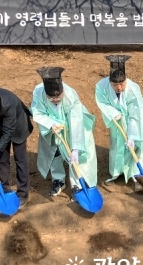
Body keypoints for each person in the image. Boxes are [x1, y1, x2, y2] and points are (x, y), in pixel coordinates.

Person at [31, 67, 97, 197]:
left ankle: (78, 184)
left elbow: (76, 121)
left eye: (58, 97)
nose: (55, 100)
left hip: (75, 129)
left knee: (75, 157)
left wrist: (76, 148)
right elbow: (37, 111)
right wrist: (51, 123)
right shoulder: (38, 92)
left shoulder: (71, 96)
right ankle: (58, 180)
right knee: (54, 151)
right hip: (52, 129)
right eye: (51, 98)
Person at [95, 55, 143, 192]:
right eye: (115, 85)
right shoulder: (101, 86)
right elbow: (102, 102)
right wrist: (113, 113)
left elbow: (136, 114)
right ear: (109, 81)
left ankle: (138, 177)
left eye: (122, 84)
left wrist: (132, 136)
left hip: (138, 123)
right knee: (117, 146)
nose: (119, 87)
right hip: (117, 121)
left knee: (139, 148)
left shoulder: (133, 89)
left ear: (126, 80)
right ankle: (117, 173)